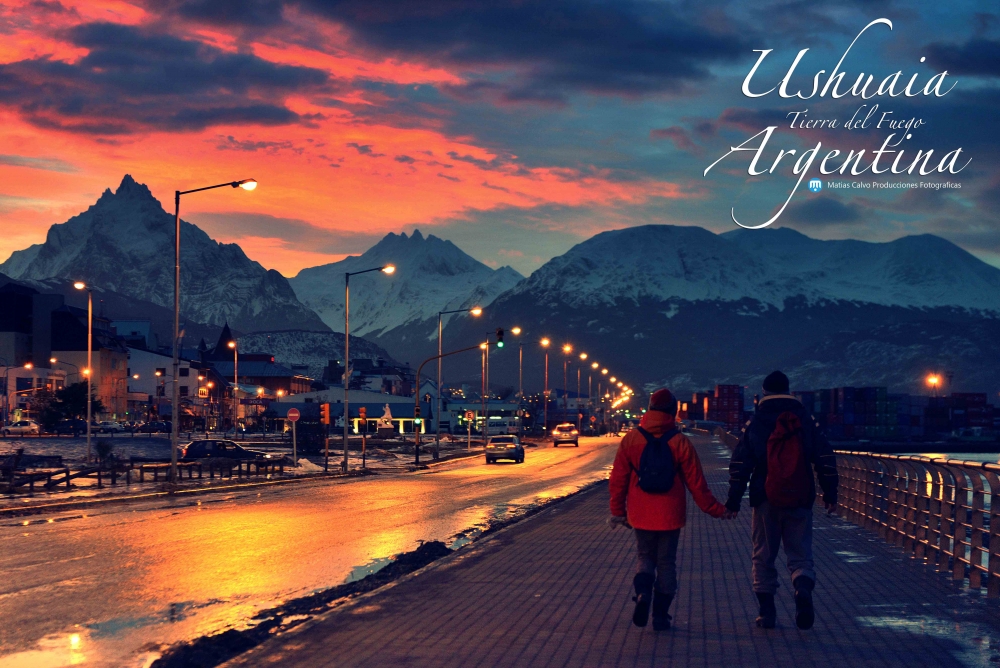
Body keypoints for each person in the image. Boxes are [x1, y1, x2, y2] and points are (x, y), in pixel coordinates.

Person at [725, 371, 838, 630]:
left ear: (764, 392)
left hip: (765, 499)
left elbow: (741, 463)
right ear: (789, 391)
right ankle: (801, 589)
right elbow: (825, 458)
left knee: (763, 556)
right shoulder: (805, 421)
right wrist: (830, 495)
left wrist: (733, 501)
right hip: (800, 497)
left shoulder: (756, 422)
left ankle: (767, 613)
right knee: (801, 555)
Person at [608, 388, 727, 631]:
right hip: (670, 514)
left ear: (650, 409)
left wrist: (618, 511)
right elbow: (697, 483)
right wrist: (716, 509)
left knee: (644, 557)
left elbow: (617, 479)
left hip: (640, 513)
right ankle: (661, 616)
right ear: (672, 412)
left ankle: (642, 593)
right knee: (666, 563)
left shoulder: (631, 439)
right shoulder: (680, 442)